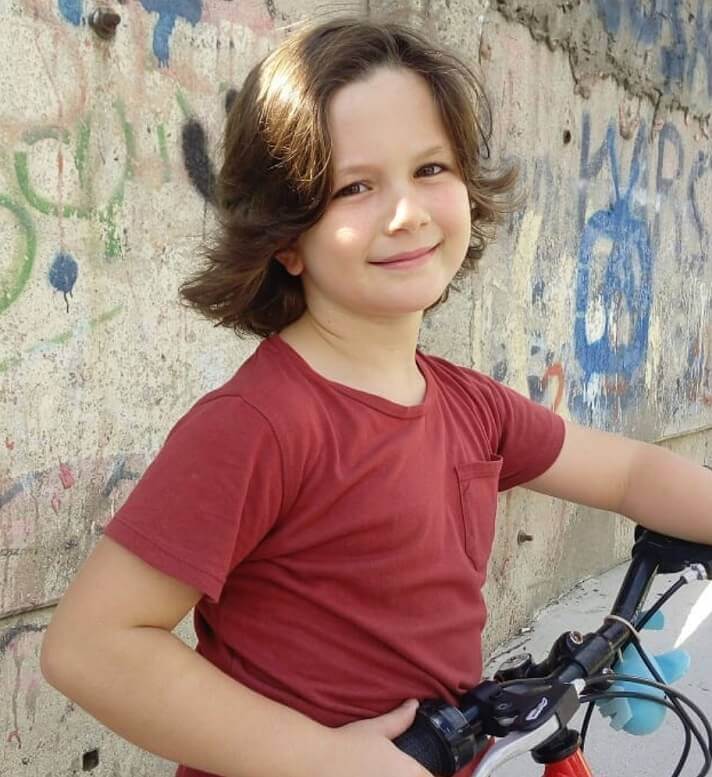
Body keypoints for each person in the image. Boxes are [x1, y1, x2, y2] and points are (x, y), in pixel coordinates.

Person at [40, 16, 712, 777]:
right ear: (285, 237)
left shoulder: (469, 403)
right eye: (354, 187)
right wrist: (324, 758)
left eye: (431, 169)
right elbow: (92, 645)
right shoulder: (259, 423)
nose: (406, 212)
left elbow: (628, 474)